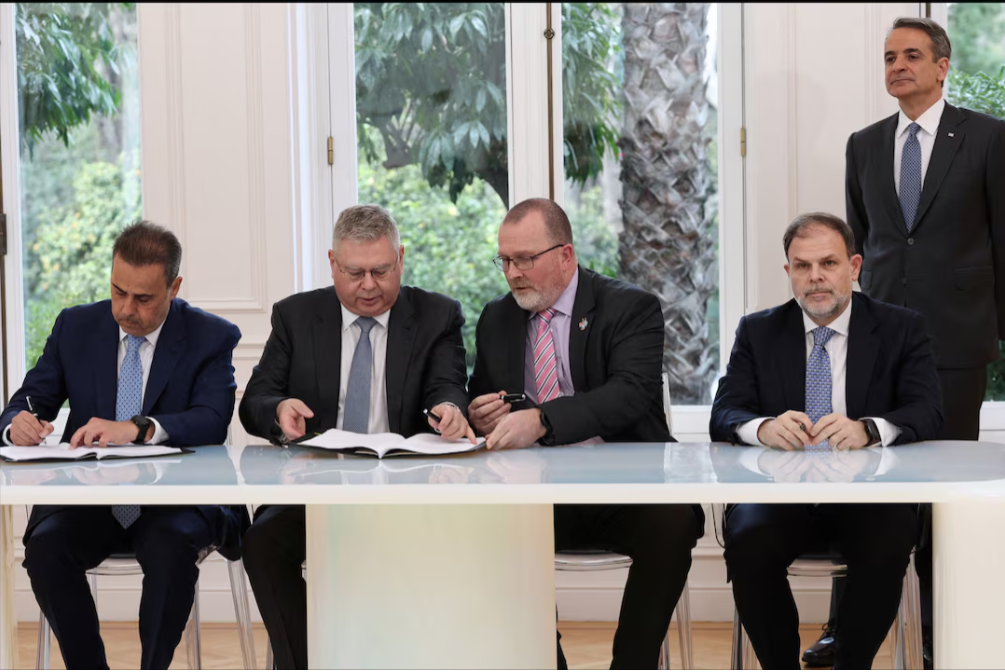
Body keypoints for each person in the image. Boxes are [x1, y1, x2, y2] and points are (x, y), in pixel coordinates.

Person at [0, 221, 248, 670]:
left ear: (173, 287)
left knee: (170, 549)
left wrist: (137, 428)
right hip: (89, 500)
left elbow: (212, 420)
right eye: (118, 292)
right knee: (46, 551)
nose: (126, 309)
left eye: (143, 298)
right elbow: (29, 400)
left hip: (173, 502)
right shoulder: (76, 326)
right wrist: (16, 423)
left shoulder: (211, 336)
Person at [467, 197, 702, 670]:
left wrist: (543, 419)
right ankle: (544, 661)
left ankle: (631, 666)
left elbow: (630, 394)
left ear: (566, 255)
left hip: (625, 487)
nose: (513, 273)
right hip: (536, 494)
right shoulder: (497, 317)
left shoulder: (630, 307)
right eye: (505, 260)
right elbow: (484, 396)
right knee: (486, 526)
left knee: (676, 520)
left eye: (524, 259)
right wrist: (479, 413)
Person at [238, 204, 475, 670]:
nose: (368, 285)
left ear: (401, 260)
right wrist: (279, 410)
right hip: (315, 492)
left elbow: (448, 384)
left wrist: (451, 409)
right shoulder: (295, 316)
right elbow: (255, 401)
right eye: (355, 272)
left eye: (381, 271)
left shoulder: (437, 316)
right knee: (261, 543)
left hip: (410, 497)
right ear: (332, 264)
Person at [839, 16, 1005, 665]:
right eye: (888, 57)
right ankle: (848, 631)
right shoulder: (863, 144)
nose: (897, 67)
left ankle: (943, 633)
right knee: (866, 490)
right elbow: (863, 243)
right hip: (879, 343)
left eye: (911, 55)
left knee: (943, 492)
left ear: (941, 66)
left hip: (956, 343)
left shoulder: (988, 138)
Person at [709, 212, 942, 670]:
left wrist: (868, 429)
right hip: (779, 497)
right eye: (802, 266)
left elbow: (928, 411)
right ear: (789, 272)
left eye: (828, 263)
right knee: (747, 539)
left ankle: (851, 665)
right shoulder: (758, 331)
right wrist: (763, 428)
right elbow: (725, 411)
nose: (815, 277)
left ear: (853, 267)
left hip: (868, 497)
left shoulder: (901, 328)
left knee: (890, 537)